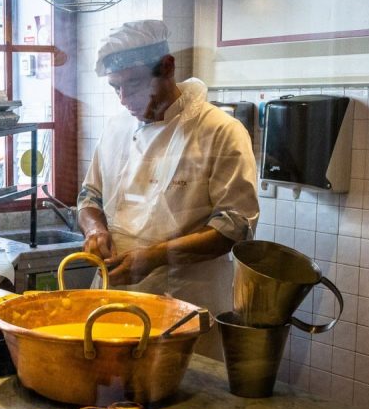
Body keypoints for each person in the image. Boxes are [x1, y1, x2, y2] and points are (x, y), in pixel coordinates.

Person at [77, 20, 259, 359]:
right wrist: (95, 229)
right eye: (115, 87)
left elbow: (234, 228)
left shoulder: (220, 132)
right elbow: (90, 197)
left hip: (187, 304)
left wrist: (154, 258)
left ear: (167, 67)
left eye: (133, 85)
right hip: (114, 301)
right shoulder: (116, 129)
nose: (123, 99)